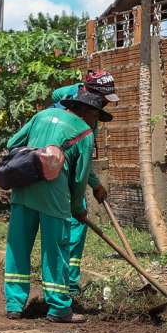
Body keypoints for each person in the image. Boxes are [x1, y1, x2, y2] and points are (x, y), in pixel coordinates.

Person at [4, 86, 114, 324]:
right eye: (97, 116)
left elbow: (12, 142)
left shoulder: (41, 116)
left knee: (18, 248)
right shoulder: (85, 133)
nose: (97, 122)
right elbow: (79, 177)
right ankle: (59, 309)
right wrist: (77, 207)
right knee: (55, 252)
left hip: (23, 190)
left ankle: (14, 305)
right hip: (54, 199)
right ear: (86, 111)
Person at [50, 71, 118, 305]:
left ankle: (64, 283)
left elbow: (55, 93)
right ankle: (67, 285)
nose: (108, 102)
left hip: (54, 170)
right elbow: (82, 163)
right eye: (105, 97)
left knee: (63, 228)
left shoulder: (76, 109)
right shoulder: (82, 117)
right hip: (64, 171)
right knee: (75, 221)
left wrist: (96, 185)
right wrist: (83, 198)